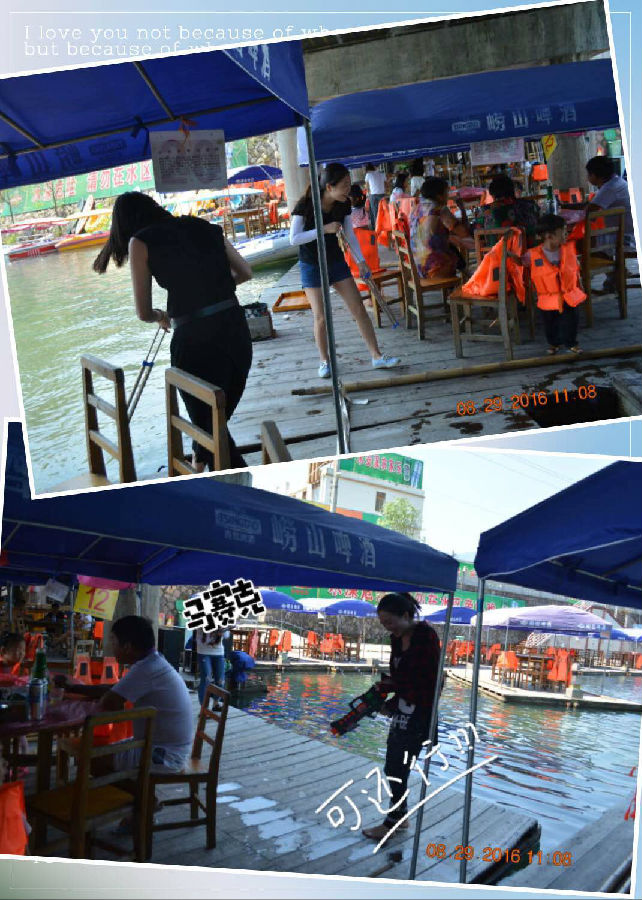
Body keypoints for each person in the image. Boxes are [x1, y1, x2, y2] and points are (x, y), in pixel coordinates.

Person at [93, 192, 254, 471]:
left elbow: (143, 312)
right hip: (237, 333)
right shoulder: (206, 227)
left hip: (195, 343)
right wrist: (213, 290)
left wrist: (161, 316)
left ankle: (239, 483)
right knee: (212, 423)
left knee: (210, 429)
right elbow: (245, 273)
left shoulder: (140, 242)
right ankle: (198, 465)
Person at [289, 163, 401, 379]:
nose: (348, 190)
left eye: (349, 185)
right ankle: (324, 361)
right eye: (345, 185)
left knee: (358, 308)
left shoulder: (344, 204)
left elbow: (350, 235)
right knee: (320, 317)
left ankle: (376, 356)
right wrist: (324, 229)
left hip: (336, 262)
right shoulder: (305, 204)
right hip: (312, 265)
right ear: (329, 187)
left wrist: (361, 262)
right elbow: (294, 239)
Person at [55, 615, 193, 774]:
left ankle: (136, 789)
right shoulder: (152, 662)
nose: (111, 647)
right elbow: (114, 689)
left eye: (113, 642)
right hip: (167, 747)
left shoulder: (145, 669)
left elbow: (109, 702)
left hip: (164, 755)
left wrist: (77, 694)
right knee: (95, 753)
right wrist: (74, 688)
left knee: (88, 759)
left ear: (127, 647)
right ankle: (129, 786)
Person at [362, 593, 441, 842]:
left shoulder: (426, 638)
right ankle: (400, 817)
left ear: (406, 615)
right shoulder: (397, 639)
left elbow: (427, 682)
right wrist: (385, 688)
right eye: (383, 623)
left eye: (390, 621)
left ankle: (393, 822)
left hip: (420, 713)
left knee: (398, 767)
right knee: (394, 766)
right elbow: (401, 676)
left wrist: (394, 703)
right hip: (402, 712)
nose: (387, 627)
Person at [518, 213, 586, 355]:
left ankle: (571, 343)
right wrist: (509, 255)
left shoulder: (568, 249)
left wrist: (580, 286)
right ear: (549, 236)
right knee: (550, 323)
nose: (566, 235)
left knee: (571, 321)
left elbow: (576, 270)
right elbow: (520, 262)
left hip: (569, 295)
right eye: (563, 232)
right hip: (547, 297)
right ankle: (554, 344)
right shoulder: (532, 254)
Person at [409, 177, 470, 279]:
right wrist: (462, 209)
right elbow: (463, 232)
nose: (448, 196)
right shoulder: (439, 208)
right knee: (460, 246)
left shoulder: (416, 208)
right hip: (435, 269)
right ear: (439, 196)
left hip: (418, 266)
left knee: (452, 247)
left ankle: (467, 275)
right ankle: (468, 280)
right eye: (446, 193)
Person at [474, 174, 540, 247]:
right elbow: (538, 224)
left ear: (492, 194)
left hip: (496, 252)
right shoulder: (529, 205)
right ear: (512, 190)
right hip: (527, 250)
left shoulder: (484, 211)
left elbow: (478, 235)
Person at [196, 626, 229, 705]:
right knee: (206, 679)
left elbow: (226, 636)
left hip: (219, 653)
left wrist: (222, 631)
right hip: (203, 652)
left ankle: (216, 703)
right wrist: (213, 634)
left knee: (221, 681)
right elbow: (199, 641)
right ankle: (204, 707)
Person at [364, 164, 386, 230]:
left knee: (375, 212)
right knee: (383, 211)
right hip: (382, 195)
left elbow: (367, 187)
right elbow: (385, 184)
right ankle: (383, 227)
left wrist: (368, 195)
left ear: (367, 170)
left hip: (373, 195)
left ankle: (376, 228)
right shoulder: (382, 174)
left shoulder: (368, 175)